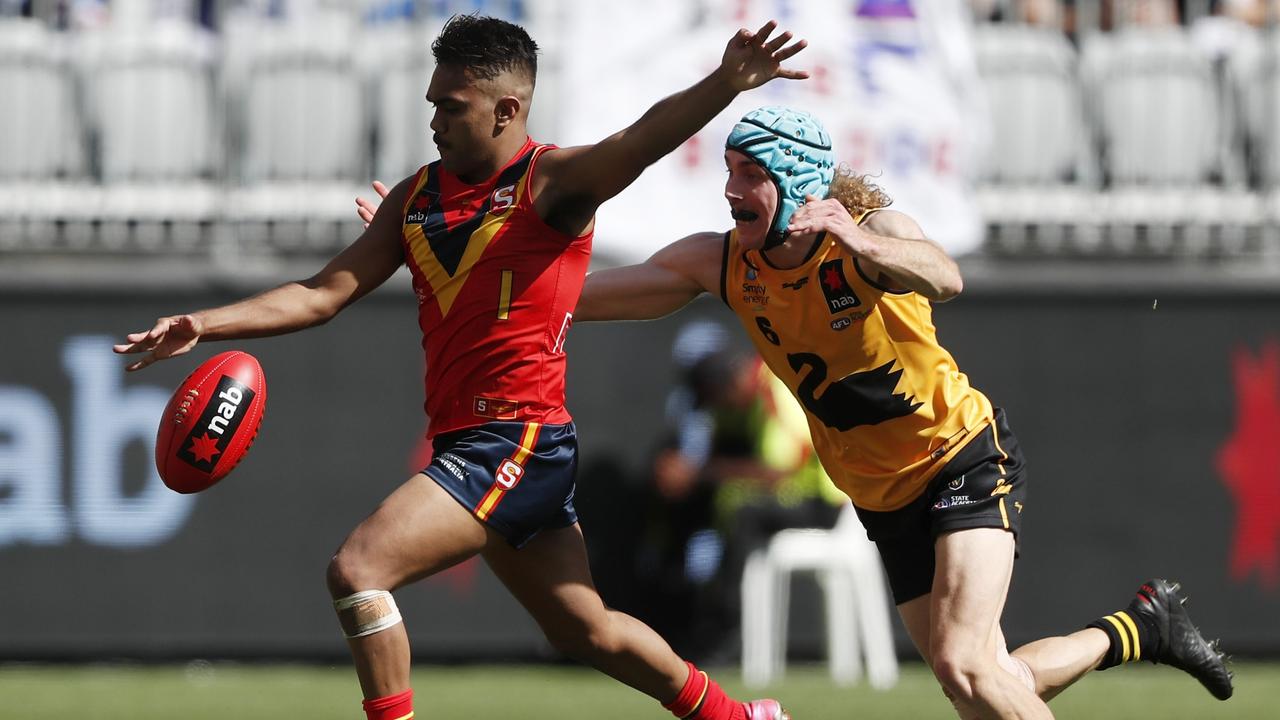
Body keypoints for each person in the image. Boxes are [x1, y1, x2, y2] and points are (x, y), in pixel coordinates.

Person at [363, 105, 1236, 718]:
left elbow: (947, 275)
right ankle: (1140, 626)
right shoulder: (725, 264)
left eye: (748, 177)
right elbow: (563, 296)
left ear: (790, 178)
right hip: (881, 498)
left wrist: (862, 237)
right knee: (979, 676)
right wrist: (443, 264)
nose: (730, 192)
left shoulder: (859, 238)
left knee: (972, 671)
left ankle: (1140, 627)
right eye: (729, 175)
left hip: (958, 459)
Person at [115, 16, 810, 720]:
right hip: (483, 444)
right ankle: (739, 717)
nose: (434, 120)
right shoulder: (416, 199)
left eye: (451, 106)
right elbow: (322, 294)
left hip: (516, 441)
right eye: (431, 104)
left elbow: (640, 140)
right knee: (587, 629)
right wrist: (203, 324)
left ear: (507, 110)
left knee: (358, 571)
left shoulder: (551, 183)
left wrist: (726, 82)